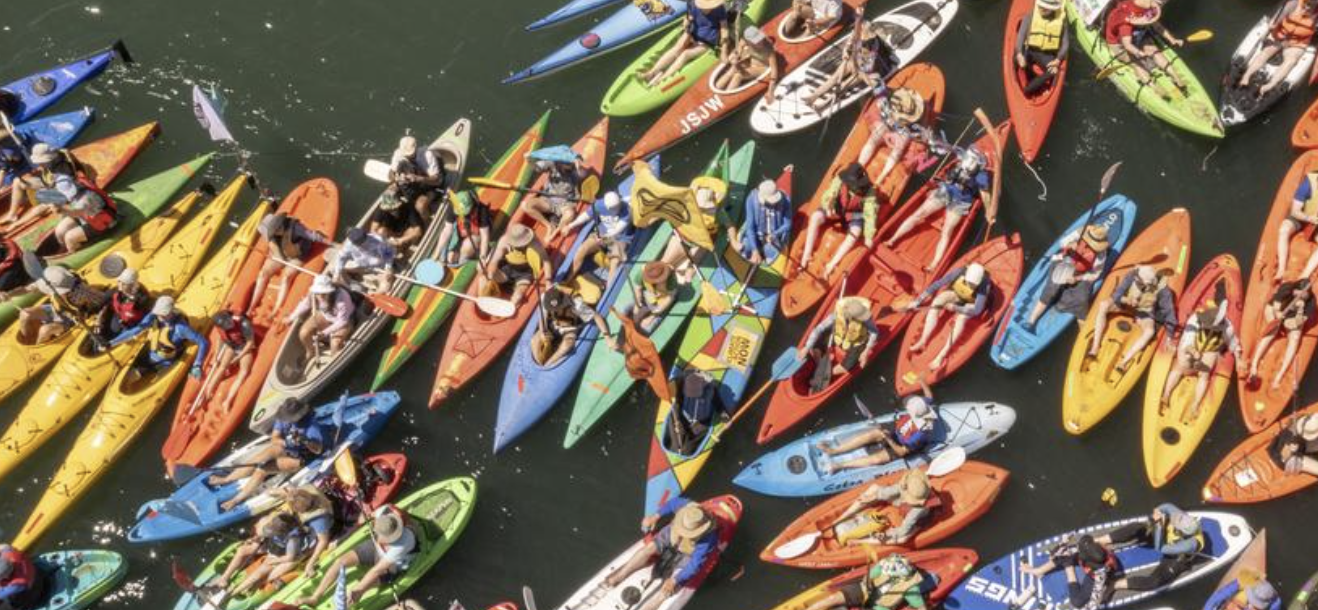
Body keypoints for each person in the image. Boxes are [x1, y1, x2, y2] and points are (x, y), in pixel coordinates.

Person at [210, 397, 330, 511]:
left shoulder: (311, 427)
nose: (285, 420)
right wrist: (287, 442)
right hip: (287, 447)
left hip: (302, 456)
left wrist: (305, 440)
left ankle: (235, 500)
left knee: (262, 470)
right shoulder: (283, 418)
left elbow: (317, 450)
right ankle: (226, 479)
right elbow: (274, 438)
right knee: (261, 457)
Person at [603, 499, 722, 610]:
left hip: (687, 554)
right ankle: (618, 577)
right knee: (648, 549)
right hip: (669, 537)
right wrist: (655, 517)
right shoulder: (687, 506)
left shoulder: (708, 539)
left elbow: (694, 565)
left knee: (666, 590)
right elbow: (672, 503)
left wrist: (675, 580)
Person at [885, 147, 991, 272]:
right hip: (945, 190)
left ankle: (934, 264)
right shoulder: (961, 159)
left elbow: (985, 193)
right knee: (918, 214)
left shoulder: (981, 176)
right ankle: (892, 239)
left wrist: (989, 210)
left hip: (961, 201)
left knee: (947, 231)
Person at [291, 505, 419, 608]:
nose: (379, 537)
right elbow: (368, 516)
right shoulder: (384, 511)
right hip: (375, 548)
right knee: (340, 562)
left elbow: (376, 570)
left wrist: (358, 590)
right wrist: (362, 519)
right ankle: (315, 597)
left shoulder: (403, 544)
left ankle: (351, 601)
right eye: (377, 533)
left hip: (393, 565)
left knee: (358, 588)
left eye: (383, 537)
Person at [816, 378, 936, 474]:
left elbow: (901, 452)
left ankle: (840, 465)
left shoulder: (920, 435)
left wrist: (888, 438)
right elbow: (930, 397)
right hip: (896, 430)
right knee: (873, 434)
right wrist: (922, 381)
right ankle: (834, 451)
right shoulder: (923, 407)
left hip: (900, 446)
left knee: (877, 459)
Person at [1159, 300, 1244, 422]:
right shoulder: (1195, 319)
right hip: (1192, 346)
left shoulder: (1227, 327)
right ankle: (1166, 395)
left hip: (1210, 349)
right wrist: (1193, 352)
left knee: (1204, 374)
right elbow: (1188, 341)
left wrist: (1238, 358)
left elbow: (1233, 343)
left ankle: (1195, 405)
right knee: (1180, 366)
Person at [1022, 222, 1112, 333]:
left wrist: (1078, 279)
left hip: (1081, 273)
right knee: (1051, 290)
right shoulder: (1080, 234)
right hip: (1064, 263)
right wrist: (1070, 245)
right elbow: (1062, 243)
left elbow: (1095, 274)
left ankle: (1083, 330)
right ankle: (1031, 321)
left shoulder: (1100, 253)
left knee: (1082, 299)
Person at [900, 263, 992, 371]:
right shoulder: (959, 272)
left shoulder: (984, 283)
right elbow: (937, 285)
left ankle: (941, 356)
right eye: (969, 283)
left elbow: (977, 310)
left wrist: (955, 308)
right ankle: (923, 340)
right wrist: (918, 300)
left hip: (971, 303)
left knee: (961, 318)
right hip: (957, 294)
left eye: (973, 284)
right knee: (937, 301)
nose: (971, 286)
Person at [1088, 265, 1178, 375]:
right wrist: (1127, 299)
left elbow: (1169, 312)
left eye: (1139, 280)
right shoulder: (1133, 274)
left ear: (1149, 283)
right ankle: (1095, 347)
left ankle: (1124, 362)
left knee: (1150, 331)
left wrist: (1170, 336)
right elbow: (1117, 294)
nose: (1136, 279)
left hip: (1143, 312)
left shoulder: (1164, 291)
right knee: (1103, 305)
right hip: (1125, 305)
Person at [208, 512, 316, 603]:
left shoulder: (293, 539)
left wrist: (274, 561)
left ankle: (256, 586)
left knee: (271, 573)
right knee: (258, 573)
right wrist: (255, 540)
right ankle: (231, 593)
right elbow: (265, 535)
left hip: (288, 556)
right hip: (276, 552)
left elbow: (290, 557)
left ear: (284, 532)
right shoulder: (272, 525)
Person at [1096, 503, 1203, 592]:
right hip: (1164, 538)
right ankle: (1100, 540)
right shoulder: (1180, 517)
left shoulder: (1191, 544)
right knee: (1137, 528)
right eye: (1176, 520)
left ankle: (1116, 584)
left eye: (1176, 523)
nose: (1174, 519)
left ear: (1184, 532)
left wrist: (1159, 526)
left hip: (1175, 556)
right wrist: (1157, 515)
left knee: (1155, 581)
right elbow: (1165, 507)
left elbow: (1160, 548)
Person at [801, 163, 880, 276]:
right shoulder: (840, 179)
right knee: (815, 217)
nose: (852, 186)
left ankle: (831, 265)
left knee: (855, 232)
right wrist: (829, 207)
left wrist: (868, 237)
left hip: (853, 214)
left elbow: (870, 215)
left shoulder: (870, 192)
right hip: (837, 209)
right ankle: (806, 254)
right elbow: (829, 194)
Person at [109, 296, 209, 385]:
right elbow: (135, 330)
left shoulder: (181, 328)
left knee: (131, 377)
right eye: (158, 313)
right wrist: (112, 342)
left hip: (163, 362)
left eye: (163, 314)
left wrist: (197, 364)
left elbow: (203, 342)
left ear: (171, 312)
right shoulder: (153, 317)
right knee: (121, 373)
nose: (159, 316)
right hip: (149, 353)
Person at [802, 21, 896, 112]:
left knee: (844, 85)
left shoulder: (872, 48)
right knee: (834, 78)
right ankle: (813, 96)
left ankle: (823, 104)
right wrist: (846, 52)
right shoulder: (856, 33)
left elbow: (869, 68)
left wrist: (858, 71)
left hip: (866, 70)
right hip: (854, 60)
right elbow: (848, 44)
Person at [250, 211, 332, 315]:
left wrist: (333, 244)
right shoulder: (272, 237)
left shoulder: (295, 228)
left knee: (286, 277)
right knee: (263, 274)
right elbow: (277, 254)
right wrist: (277, 254)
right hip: (283, 255)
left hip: (297, 255)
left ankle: (276, 309)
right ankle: (251, 307)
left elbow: (313, 236)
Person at [1103, 0, 1189, 97]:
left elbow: (1157, 26)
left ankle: (1172, 78)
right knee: (1136, 61)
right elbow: (1127, 45)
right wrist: (1140, 53)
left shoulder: (1149, 8)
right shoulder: (1125, 25)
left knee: (1151, 52)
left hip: (1137, 36)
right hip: (1120, 44)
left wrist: (1172, 39)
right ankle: (1156, 84)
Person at [829, 468, 934, 546]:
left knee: (903, 539)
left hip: (914, 518)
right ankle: (840, 519)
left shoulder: (918, 509)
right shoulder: (907, 484)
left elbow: (904, 529)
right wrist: (872, 497)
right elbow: (887, 492)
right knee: (873, 488)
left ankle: (858, 542)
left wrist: (887, 534)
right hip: (901, 503)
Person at [642, 0, 735, 87]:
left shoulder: (719, 9)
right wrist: (686, 28)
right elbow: (689, 18)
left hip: (707, 42)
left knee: (685, 54)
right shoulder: (693, 3)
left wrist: (724, 51)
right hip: (693, 34)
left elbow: (724, 29)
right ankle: (652, 72)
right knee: (678, 48)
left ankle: (662, 79)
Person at [659, 176, 732, 284]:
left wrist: (734, 240)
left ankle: (681, 280)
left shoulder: (718, 213)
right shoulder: (685, 206)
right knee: (664, 264)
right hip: (683, 238)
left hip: (702, 242)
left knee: (690, 274)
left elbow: (730, 225)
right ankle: (660, 284)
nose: (702, 209)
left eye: (705, 207)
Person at [799, 296, 881, 392]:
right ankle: (820, 366)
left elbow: (875, 332)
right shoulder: (837, 315)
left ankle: (827, 374)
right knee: (814, 348)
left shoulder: (866, 318)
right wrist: (806, 347)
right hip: (839, 336)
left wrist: (866, 351)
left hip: (855, 342)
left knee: (848, 366)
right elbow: (819, 329)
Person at [1238, 0, 1318, 97]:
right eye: (1306, 4)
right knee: (1266, 52)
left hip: (1298, 42)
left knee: (1291, 60)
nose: (1307, 8)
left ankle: (1269, 85)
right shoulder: (1293, 4)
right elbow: (1278, 19)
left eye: (1311, 6)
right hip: (1280, 34)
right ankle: (1246, 76)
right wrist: (1272, 25)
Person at [9, 265, 106, 344]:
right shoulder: (48, 280)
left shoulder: (81, 293)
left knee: (45, 330)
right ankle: (28, 339)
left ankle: (39, 343)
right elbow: (27, 289)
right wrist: (9, 294)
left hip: (70, 320)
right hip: (55, 310)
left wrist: (98, 318)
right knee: (25, 314)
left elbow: (102, 301)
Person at [1017, 535, 1118, 610]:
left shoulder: (1100, 575)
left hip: (1093, 576)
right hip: (1091, 564)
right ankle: (1038, 571)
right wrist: (1063, 543)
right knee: (1062, 554)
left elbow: (1094, 603)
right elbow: (1056, 554)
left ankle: (1069, 569)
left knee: (1077, 602)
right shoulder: (1088, 547)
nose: (1078, 549)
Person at [1248, 279, 1314, 390]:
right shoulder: (1286, 288)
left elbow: (1299, 321)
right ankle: (1254, 365)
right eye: (1300, 293)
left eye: (1305, 295)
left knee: (1295, 338)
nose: (1303, 296)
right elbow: (1275, 306)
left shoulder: (1311, 302)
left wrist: (1300, 310)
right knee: (1272, 332)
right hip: (1276, 312)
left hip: (1292, 318)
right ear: (1295, 290)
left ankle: (1279, 376)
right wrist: (1278, 316)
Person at [801, 553, 930, 610]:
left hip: (881, 606)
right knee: (831, 600)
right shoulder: (883, 566)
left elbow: (921, 607)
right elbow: (868, 577)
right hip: (864, 591)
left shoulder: (910, 588)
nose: (884, 568)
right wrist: (868, 581)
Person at [532, 283, 616, 366]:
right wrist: (543, 331)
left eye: (558, 308)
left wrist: (607, 337)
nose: (555, 311)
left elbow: (596, 317)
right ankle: (538, 363)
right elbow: (542, 316)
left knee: (568, 343)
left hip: (570, 329)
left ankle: (548, 364)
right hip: (553, 325)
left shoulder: (576, 304)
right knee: (535, 339)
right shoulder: (546, 298)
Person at [560, 191, 634, 282]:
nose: (617, 208)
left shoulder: (627, 211)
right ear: (607, 207)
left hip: (619, 239)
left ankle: (609, 288)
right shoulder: (599, 205)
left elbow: (616, 230)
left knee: (615, 262)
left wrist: (604, 237)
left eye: (618, 205)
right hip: (602, 235)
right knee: (582, 249)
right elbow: (586, 215)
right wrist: (570, 226)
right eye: (614, 208)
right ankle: (568, 279)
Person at [2, 142, 79, 226]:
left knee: (40, 203)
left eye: (41, 162)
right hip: (49, 184)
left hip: (61, 192)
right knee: (17, 181)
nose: (38, 164)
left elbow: (63, 190)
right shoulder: (54, 159)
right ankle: (12, 215)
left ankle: (16, 224)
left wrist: (16, 225)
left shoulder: (61, 172)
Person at [522, 147, 590, 240]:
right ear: (559, 162)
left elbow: (584, 174)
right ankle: (549, 226)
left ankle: (556, 231)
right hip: (548, 199)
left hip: (566, 202)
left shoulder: (574, 168)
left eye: (569, 162)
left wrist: (578, 166)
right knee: (527, 205)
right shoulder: (551, 163)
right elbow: (536, 168)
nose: (569, 164)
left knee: (570, 214)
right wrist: (528, 159)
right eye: (566, 163)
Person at [196, 310, 257, 412]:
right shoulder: (220, 326)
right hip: (232, 346)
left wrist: (238, 358)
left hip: (244, 347)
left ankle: (227, 401)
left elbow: (250, 343)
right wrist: (216, 355)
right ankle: (206, 394)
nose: (229, 325)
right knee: (221, 367)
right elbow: (221, 339)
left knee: (244, 372)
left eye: (228, 322)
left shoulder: (244, 323)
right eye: (225, 325)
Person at [859, 87, 930, 171]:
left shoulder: (885, 104)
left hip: (890, 124)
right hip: (902, 129)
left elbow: (880, 105)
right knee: (897, 151)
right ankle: (882, 175)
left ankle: (858, 167)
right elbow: (920, 133)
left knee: (873, 140)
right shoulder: (914, 117)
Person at [288, 274, 355, 363]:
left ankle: (335, 359)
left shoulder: (342, 298)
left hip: (344, 320)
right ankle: (310, 351)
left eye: (323, 293)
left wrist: (325, 332)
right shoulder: (313, 292)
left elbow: (342, 321)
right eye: (318, 293)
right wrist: (292, 317)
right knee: (303, 333)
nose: (320, 296)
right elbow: (306, 304)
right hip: (325, 315)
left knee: (335, 344)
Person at [481, 224, 551, 307]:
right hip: (508, 269)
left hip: (525, 274)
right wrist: (490, 277)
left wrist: (548, 281)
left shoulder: (534, 242)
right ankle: (486, 304)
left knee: (518, 296)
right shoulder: (504, 241)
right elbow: (494, 262)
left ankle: (509, 308)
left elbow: (546, 261)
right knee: (482, 278)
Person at [44, 176, 117, 253]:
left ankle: (74, 250)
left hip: (101, 222)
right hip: (85, 216)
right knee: (60, 231)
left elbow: (74, 212)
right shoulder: (75, 187)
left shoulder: (85, 199)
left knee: (69, 238)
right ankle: (68, 246)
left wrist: (58, 209)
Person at [667, 371, 733, 453]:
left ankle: (685, 449)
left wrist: (725, 419)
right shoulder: (683, 382)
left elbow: (718, 404)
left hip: (701, 423)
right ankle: (676, 448)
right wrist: (677, 422)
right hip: (683, 417)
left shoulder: (710, 390)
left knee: (687, 446)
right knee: (678, 439)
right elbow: (676, 403)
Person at [1014, 0, 1071, 96]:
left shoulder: (1061, 20)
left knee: (1054, 72)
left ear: (1053, 9)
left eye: (1046, 8)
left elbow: (1065, 44)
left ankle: (1028, 90)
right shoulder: (1031, 15)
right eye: (1040, 6)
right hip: (1030, 49)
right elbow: (1020, 37)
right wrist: (1019, 54)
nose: (1042, 9)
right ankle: (1029, 82)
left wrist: (1058, 59)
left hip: (1046, 54)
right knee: (1016, 58)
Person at [732, 178, 792, 266]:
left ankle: (764, 257)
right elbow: (750, 227)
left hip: (773, 239)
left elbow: (787, 224)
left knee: (770, 255)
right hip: (756, 234)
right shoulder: (751, 199)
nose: (773, 203)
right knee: (746, 248)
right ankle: (755, 253)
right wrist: (754, 250)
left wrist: (774, 234)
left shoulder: (786, 200)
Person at [388, 135, 447, 222]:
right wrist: (396, 178)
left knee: (420, 205)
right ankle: (398, 218)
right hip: (409, 185)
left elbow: (436, 179)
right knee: (389, 194)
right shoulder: (397, 154)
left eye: (410, 154)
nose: (407, 156)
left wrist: (418, 179)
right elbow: (390, 173)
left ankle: (427, 222)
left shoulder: (427, 155)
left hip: (429, 186)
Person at [714, 25, 780, 96]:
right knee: (733, 68)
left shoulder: (768, 50)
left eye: (759, 39)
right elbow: (738, 49)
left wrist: (770, 91)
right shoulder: (744, 41)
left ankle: (727, 97)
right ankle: (716, 90)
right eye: (756, 41)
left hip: (762, 68)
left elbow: (774, 72)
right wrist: (736, 55)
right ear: (749, 41)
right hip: (751, 62)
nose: (760, 42)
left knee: (738, 75)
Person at [431, 190, 491, 266]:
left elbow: (485, 236)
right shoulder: (454, 206)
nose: (464, 216)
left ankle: (475, 253)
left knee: (467, 247)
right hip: (463, 232)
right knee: (451, 258)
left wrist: (483, 257)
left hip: (477, 234)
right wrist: (436, 254)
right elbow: (446, 231)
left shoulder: (482, 210)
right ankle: (462, 254)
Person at [329, 227, 396, 292]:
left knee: (385, 287)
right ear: (354, 243)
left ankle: (374, 294)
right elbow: (341, 259)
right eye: (361, 242)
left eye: (364, 239)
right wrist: (336, 276)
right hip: (362, 268)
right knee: (334, 269)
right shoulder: (348, 246)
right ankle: (353, 287)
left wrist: (388, 268)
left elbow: (390, 254)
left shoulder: (378, 240)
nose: (364, 242)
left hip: (381, 269)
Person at [93, 267, 150, 343]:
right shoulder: (117, 290)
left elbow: (148, 318)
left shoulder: (142, 299)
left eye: (123, 283)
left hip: (132, 325)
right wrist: (98, 318)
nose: (119, 285)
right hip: (119, 317)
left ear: (131, 285)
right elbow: (103, 302)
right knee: (109, 333)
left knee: (117, 340)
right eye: (119, 281)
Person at [1278, 169, 1318, 277]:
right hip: (1302, 215)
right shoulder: (1308, 184)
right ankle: (1281, 270)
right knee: (1284, 230)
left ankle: (1304, 276)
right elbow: (1295, 211)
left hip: (1315, 223)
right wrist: (1310, 218)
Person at [620, 261, 677, 334]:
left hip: (660, 305)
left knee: (647, 329)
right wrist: (638, 304)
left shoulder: (671, 279)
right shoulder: (642, 272)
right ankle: (625, 330)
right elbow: (638, 289)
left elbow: (670, 298)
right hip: (646, 298)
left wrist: (652, 316)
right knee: (626, 310)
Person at [370, 185, 425, 253]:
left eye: (394, 208)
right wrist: (386, 240)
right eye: (389, 209)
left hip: (406, 231)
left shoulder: (408, 208)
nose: (392, 210)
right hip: (393, 233)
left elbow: (418, 230)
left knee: (413, 232)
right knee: (381, 231)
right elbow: (373, 230)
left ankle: (405, 248)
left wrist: (401, 240)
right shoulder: (380, 210)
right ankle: (392, 250)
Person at [1205, 569, 1281, 610]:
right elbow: (1219, 596)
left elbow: (1276, 604)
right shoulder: (1244, 582)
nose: (1252, 607)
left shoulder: (1275, 602)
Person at [1272, 412, 1318, 476]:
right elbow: (1285, 456)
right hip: (1290, 457)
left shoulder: (1305, 421)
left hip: (1300, 445)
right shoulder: (1291, 443)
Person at [0, 543, 42, 609]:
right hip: (36, 572)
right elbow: (4, 546)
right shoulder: (10, 554)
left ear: (6, 577)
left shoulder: (15, 586)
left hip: (33, 591)